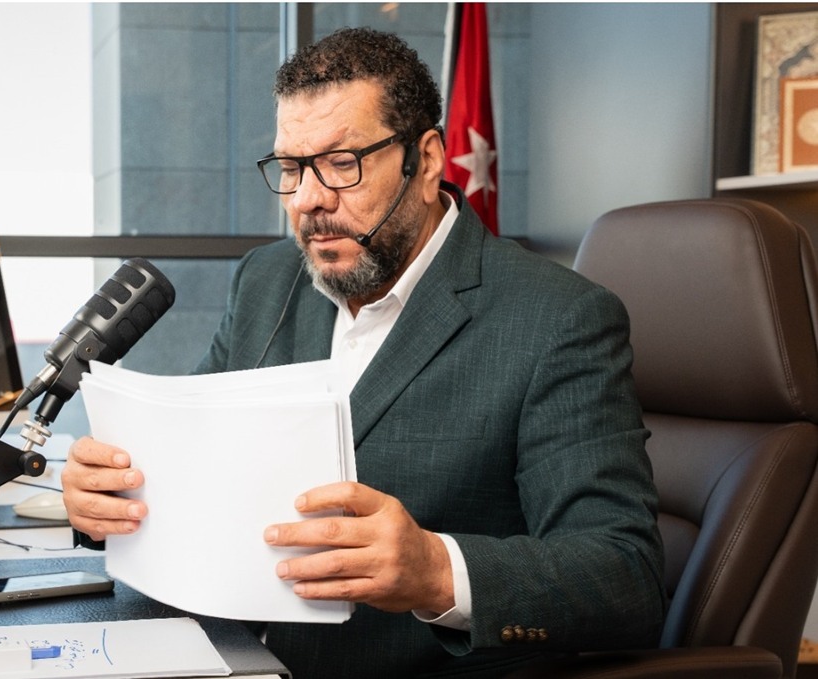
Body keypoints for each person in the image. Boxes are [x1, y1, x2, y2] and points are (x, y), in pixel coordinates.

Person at [61, 27, 667, 678]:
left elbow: (625, 578)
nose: (309, 200)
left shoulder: (557, 318)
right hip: (220, 653)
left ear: (425, 161)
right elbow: (195, 462)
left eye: (342, 163)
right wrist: (107, 498)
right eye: (291, 168)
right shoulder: (267, 279)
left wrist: (435, 570)